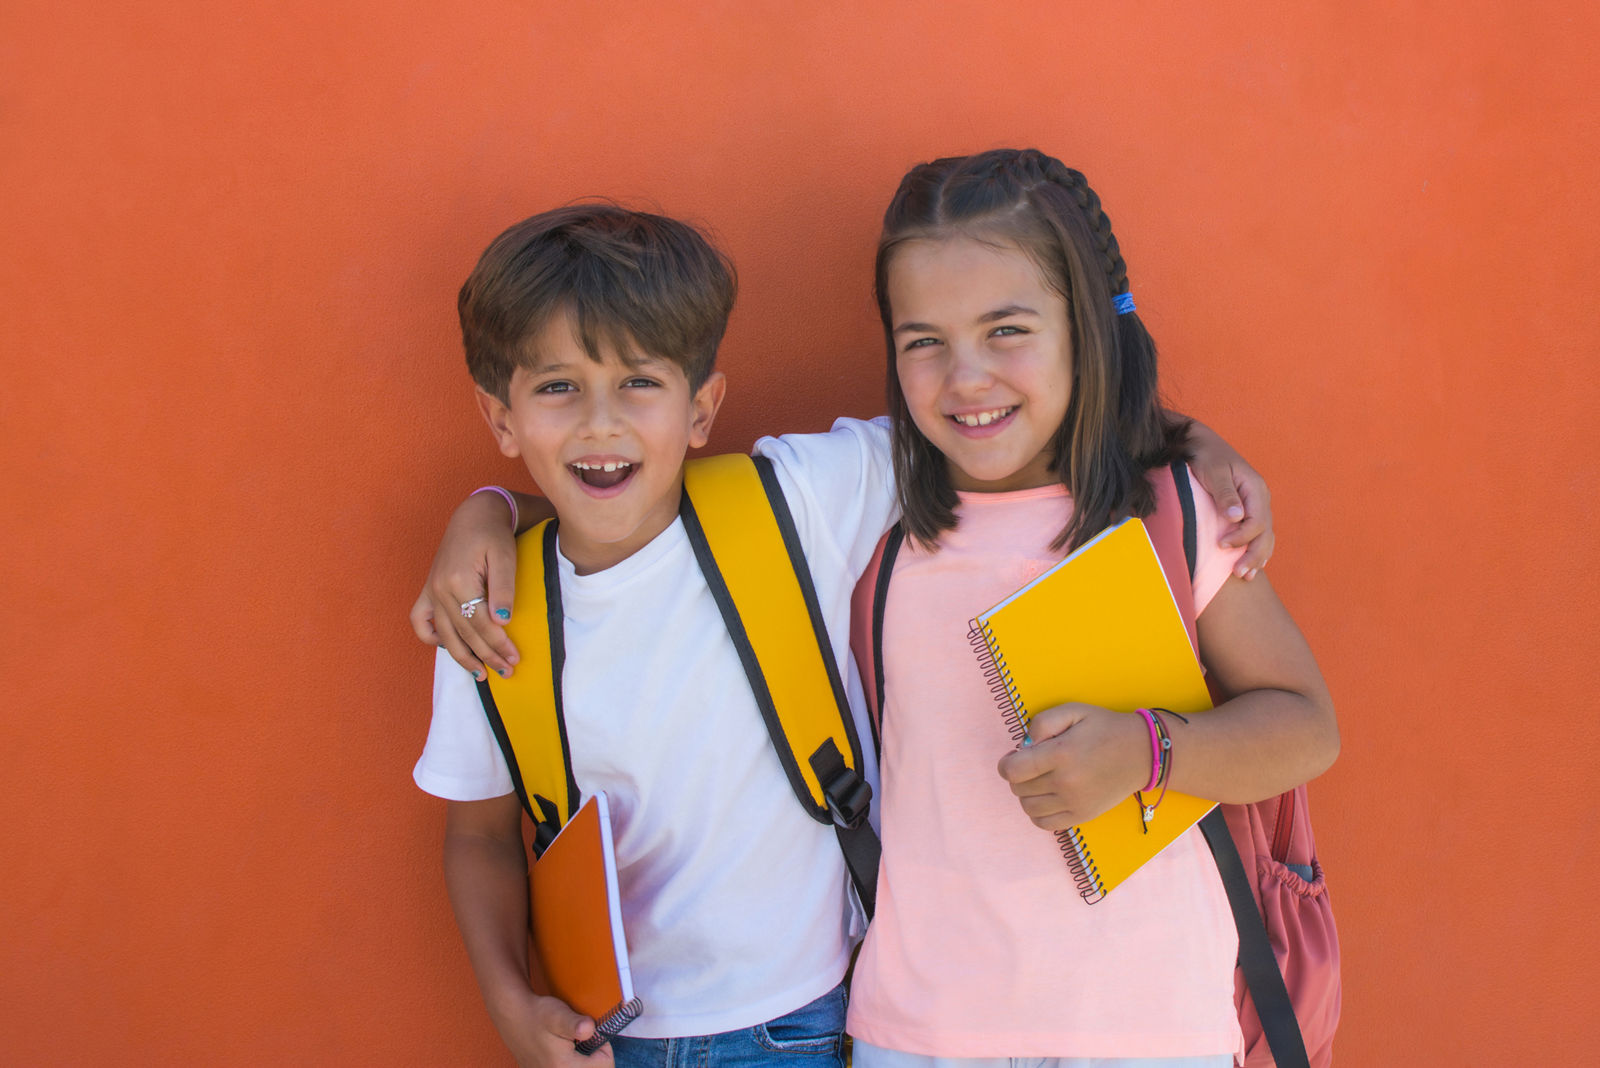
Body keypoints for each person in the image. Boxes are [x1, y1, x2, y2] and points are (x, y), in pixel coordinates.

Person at [413, 192, 1277, 1068]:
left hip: (808, 1023)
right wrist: (510, 1002)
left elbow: (990, 421)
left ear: (703, 409)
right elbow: (478, 834)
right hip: (608, 1040)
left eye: (639, 383)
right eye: (559, 388)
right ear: (500, 417)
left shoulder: (801, 500)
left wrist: (1180, 440)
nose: (602, 423)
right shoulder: (488, 609)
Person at [840, 149, 1338, 1068]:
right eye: (924, 341)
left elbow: (1306, 728)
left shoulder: (1174, 514)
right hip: (921, 1033)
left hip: (1150, 1028)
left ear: (1082, 330)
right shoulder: (864, 518)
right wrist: (489, 512)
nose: (967, 378)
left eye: (1007, 330)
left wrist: (1149, 754)